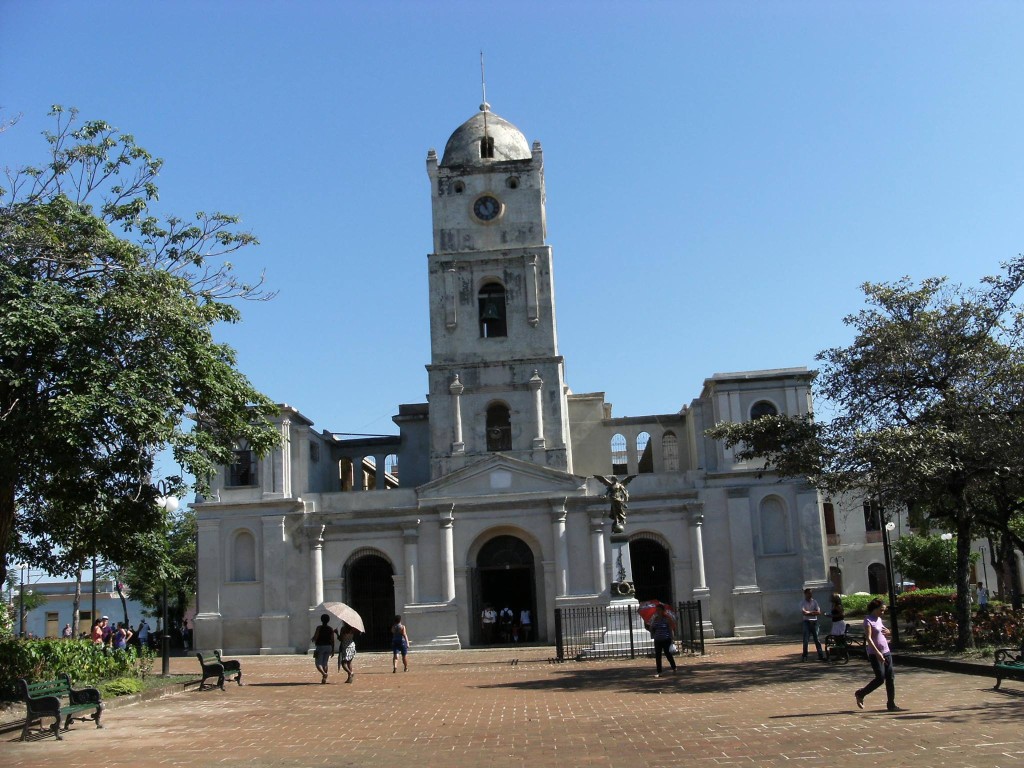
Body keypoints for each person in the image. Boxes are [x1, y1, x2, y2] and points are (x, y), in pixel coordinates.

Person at [855, 598, 903, 712]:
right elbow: (869, 639)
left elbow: (884, 631)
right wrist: (877, 653)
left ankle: (891, 704)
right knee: (880, 678)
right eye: (881, 610)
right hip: (875, 653)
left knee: (890, 678)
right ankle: (860, 693)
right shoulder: (868, 620)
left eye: (884, 610)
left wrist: (889, 632)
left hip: (886, 651)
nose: (883, 612)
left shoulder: (879, 619)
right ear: (875, 609)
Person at [649, 603, 677, 678]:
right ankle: (659, 671)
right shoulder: (655, 619)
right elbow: (652, 629)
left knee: (668, 654)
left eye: (659, 610)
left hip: (666, 639)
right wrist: (651, 625)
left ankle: (674, 667)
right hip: (657, 639)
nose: (657, 611)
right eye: (657, 610)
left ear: (662, 610)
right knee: (658, 656)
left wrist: (672, 639)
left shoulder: (667, 619)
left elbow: (670, 630)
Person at [800, 588, 825, 661]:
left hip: (814, 622)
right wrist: (813, 613)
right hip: (806, 622)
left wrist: (809, 613)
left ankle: (820, 655)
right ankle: (805, 655)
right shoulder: (802, 603)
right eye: (809, 593)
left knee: (817, 639)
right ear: (805, 594)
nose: (810, 595)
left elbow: (819, 612)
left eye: (811, 593)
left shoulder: (815, 602)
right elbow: (804, 613)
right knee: (805, 640)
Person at [311, 613, 335, 684]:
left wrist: (313, 639)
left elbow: (316, 637)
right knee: (325, 663)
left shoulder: (319, 628)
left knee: (318, 663)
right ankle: (324, 679)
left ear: (321, 620)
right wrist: (333, 650)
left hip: (320, 646)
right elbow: (332, 640)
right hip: (329, 647)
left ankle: (324, 674)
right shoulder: (330, 629)